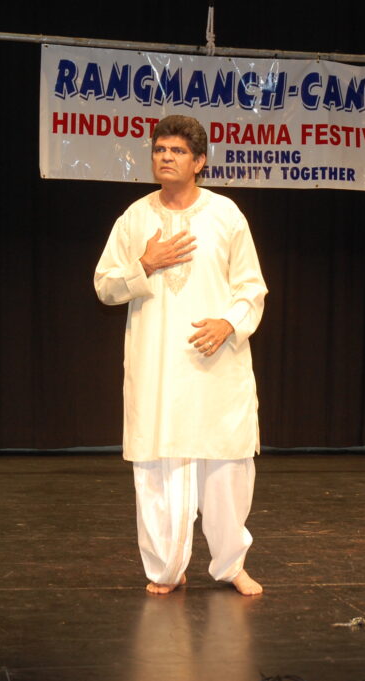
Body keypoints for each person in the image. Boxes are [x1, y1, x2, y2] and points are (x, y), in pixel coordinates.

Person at [94, 115, 268, 596]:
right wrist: (145, 264)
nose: (165, 157)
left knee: (227, 467)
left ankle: (232, 565)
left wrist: (228, 323)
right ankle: (166, 569)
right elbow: (105, 286)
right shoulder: (135, 219)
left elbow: (251, 288)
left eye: (177, 151)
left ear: (199, 162)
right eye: (159, 150)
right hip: (158, 369)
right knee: (158, 469)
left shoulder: (226, 215)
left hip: (216, 364)